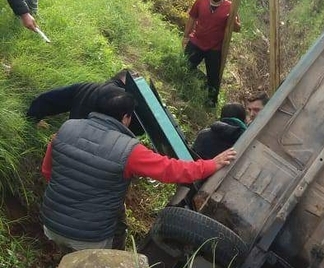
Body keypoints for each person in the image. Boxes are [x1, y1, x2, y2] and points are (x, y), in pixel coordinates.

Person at [40, 92, 237, 251]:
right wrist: (211, 164)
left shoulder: (65, 129)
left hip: (50, 224)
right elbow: (171, 170)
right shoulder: (129, 150)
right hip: (90, 237)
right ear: (126, 118)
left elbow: (47, 172)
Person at [182, 0, 241, 106]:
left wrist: (233, 20)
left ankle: (211, 103)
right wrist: (186, 36)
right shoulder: (201, 0)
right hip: (197, 41)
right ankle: (185, 90)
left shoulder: (230, 6)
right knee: (185, 66)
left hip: (214, 48)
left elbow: (237, 29)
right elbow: (192, 18)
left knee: (213, 79)